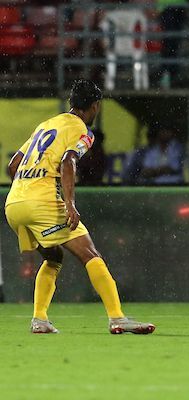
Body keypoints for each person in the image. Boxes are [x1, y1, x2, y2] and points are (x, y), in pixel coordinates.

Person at [4, 79, 155, 334]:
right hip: (43, 202)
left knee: (53, 257)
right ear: (95, 106)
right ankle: (117, 317)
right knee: (90, 254)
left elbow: (12, 166)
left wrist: (27, 189)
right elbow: (68, 160)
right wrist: (69, 203)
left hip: (14, 203)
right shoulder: (83, 131)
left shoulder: (46, 125)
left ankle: (39, 320)